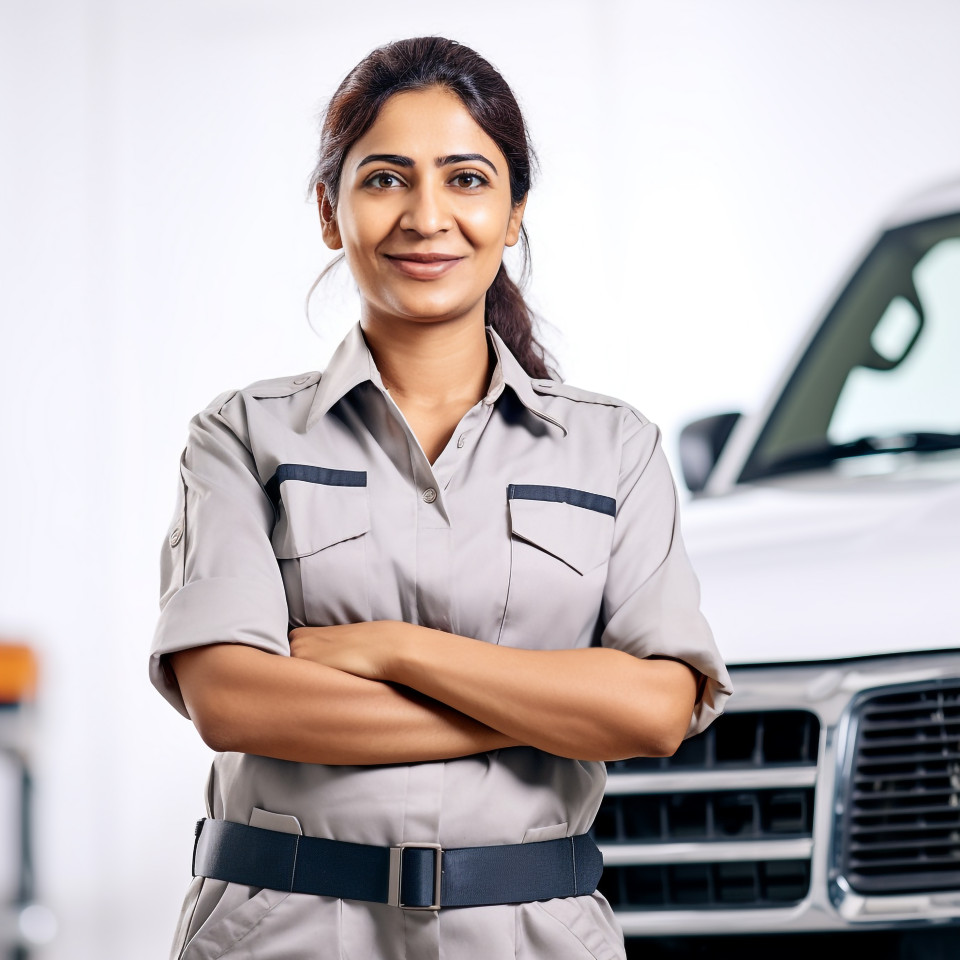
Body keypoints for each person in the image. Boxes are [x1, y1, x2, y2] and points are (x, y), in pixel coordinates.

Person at [150, 35, 732, 960]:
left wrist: (394, 649)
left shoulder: (614, 449)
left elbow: (656, 712)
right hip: (285, 934)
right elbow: (233, 700)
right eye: (385, 179)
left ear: (514, 213)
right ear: (330, 211)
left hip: (535, 936)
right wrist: (550, 710)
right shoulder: (242, 436)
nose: (427, 217)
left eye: (466, 179)